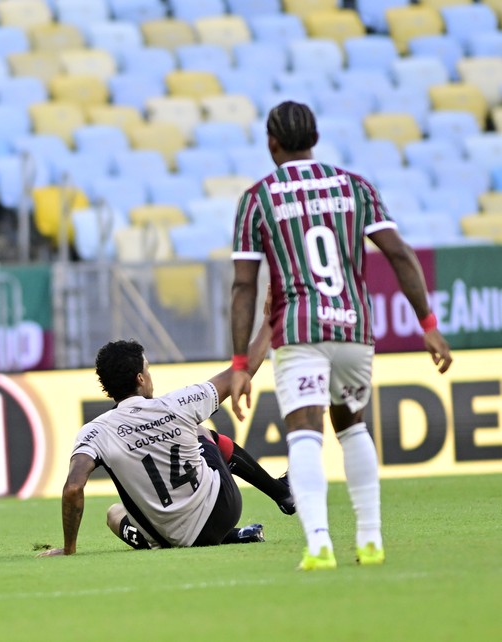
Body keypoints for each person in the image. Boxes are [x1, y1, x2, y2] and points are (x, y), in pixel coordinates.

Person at [228, 101, 453, 571]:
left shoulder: (258, 198)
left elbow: (245, 285)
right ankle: (370, 540)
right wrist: (428, 325)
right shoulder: (355, 186)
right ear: (315, 138)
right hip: (353, 327)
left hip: (299, 330)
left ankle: (319, 543)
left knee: (305, 434)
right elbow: (400, 254)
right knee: (353, 427)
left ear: (272, 143)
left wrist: (239, 363)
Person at [40, 298, 293, 556]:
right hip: (222, 511)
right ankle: (281, 494)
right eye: (147, 370)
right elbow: (242, 370)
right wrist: (269, 323)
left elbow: (73, 488)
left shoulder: (95, 432)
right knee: (200, 432)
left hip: (170, 538)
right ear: (140, 378)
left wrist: (69, 549)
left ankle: (180, 539)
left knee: (114, 514)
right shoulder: (178, 404)